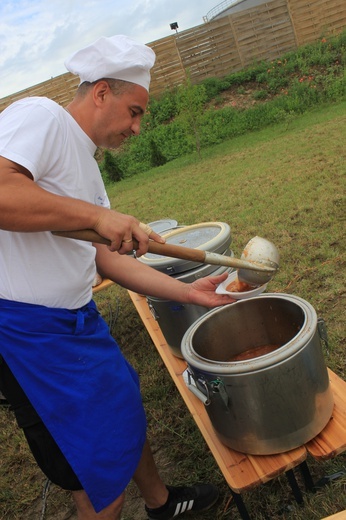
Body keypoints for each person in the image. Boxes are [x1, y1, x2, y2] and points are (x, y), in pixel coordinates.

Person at [0, 35, 235, 519]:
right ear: (101, 92)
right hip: (26, 331)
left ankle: (161, 502)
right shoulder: (40, 115)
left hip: (73, 318)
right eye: (134, 111)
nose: (137, 127)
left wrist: (187, 290)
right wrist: (97, 217)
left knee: (123, 399)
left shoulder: (86, 168)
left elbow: (105, 259)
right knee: (95, 461)